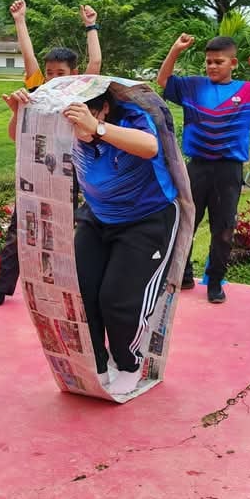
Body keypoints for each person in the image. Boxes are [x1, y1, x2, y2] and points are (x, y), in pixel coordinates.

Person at [63, 90, 180, 395]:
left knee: (117, 299)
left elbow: (150, 146)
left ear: (103, 108)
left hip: (145, 216)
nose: (77, 129)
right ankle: (98, 364)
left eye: (86, 118)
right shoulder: (66, 118)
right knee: (81, 291)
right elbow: (18, 137)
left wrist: (97, 129)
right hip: (98, 215)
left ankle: (129, 363)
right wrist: (17, 111)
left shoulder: (132, 117)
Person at [0, 0, 102, 307]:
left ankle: (62, 287)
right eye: (49, 72)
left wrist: (91, 26)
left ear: (73, 72)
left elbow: (95, 65)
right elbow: (29, 59)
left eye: (60, 72)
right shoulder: (37, 90)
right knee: (18, 231)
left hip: (67, 173)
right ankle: (2, 289)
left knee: (63, 231)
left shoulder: (79, 90)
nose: (53, 77)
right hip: (34, 171)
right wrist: (20, 21)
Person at [157, 34, 250, 303]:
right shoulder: (193, 86)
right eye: (209, 62)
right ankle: (183, 273)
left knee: (224, 228)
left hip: (228, 171)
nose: (212, 66)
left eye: (219, 61)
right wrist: (175, 50)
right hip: (196, 168)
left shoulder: (247, 91)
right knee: (185, 223)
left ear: (233, 63)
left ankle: (215, 281)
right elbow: (163, 81)